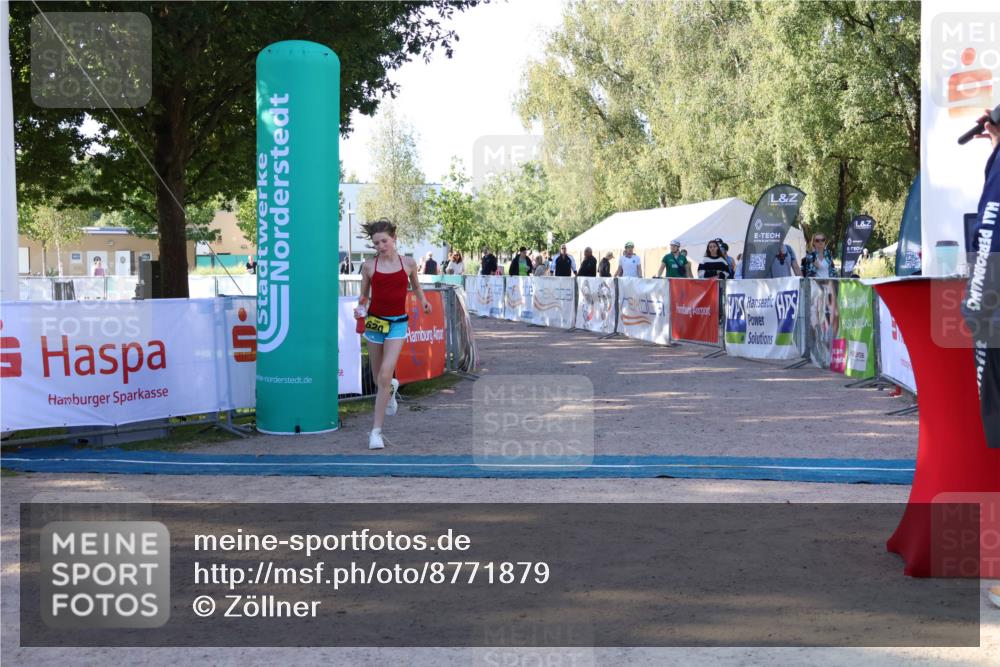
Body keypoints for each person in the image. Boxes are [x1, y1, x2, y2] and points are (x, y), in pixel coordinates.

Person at [355, 218, 432, 450]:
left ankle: (376, 432)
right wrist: (360, 309)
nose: (380, 246)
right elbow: (364, 296)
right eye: (376, 243)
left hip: (398, 324)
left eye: (384, 241)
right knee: (380, 376)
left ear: (394, 239)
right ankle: (390, 387)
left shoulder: (408, 263)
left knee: (386, 373)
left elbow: (416, 287)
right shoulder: (369, 266)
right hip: (375, 324)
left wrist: (424, 301)